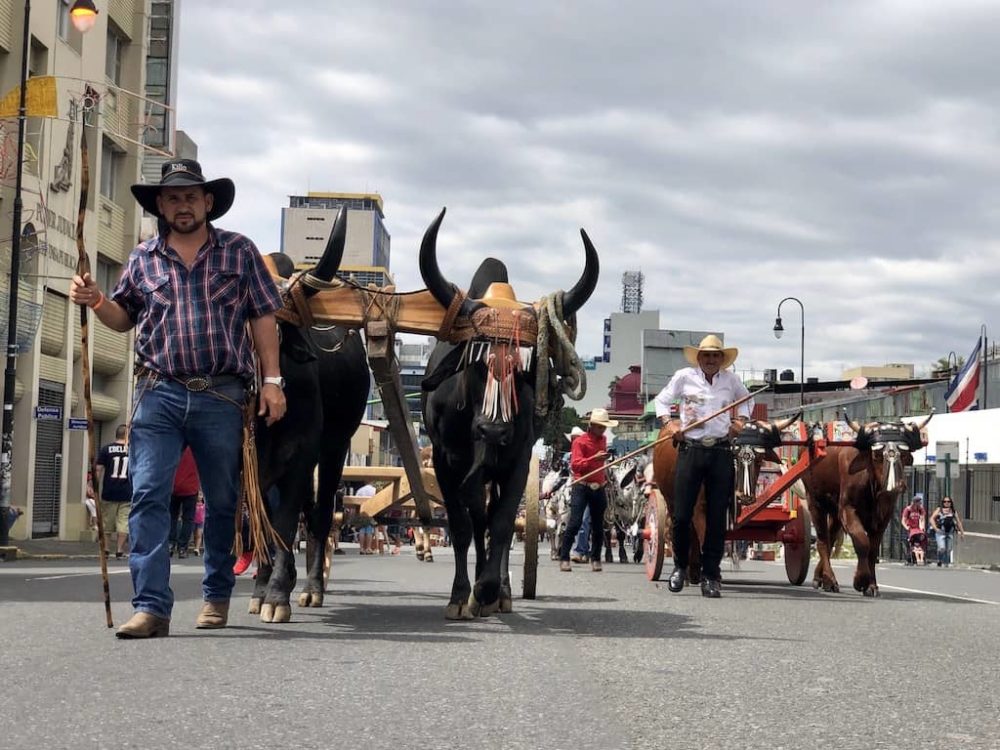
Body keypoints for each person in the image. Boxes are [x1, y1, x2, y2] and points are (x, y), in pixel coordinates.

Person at [69, 158, 286, 639]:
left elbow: (263, 318)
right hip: (157, 392)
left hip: (222, 394)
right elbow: (124, 317)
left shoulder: (239, 251)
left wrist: (273, 381)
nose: (182, 205)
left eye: (191, 196)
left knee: (224, 500)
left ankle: (216, 593)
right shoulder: (143, 258)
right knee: (147, 496)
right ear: (161, 206)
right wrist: (96, 301)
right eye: (172, 197)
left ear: (208, 202)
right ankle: (151, 607)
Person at [654, 334, 752, 598]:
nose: (711, 360)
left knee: (718, 517)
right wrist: (670, 424)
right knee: (682, 514)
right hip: (691, 450)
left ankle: (711, 575)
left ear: (722, 359)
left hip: (720, 451)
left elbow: (747, 401)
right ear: (699, 358)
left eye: (715, 356)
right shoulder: (684, 377)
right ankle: (679, 567)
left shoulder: (731, 380)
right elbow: (661, 400)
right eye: (706, 355)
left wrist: (740, 422)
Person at [558, 408, 618, 572]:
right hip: (581, 486)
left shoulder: (603, 440)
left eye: (604, 427)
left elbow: (600, 460)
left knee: (598, 526)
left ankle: (596, 558)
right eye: (599, 426)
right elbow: (576, 465)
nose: (602, 430)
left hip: (599, 487)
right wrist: (594, 458)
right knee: (575, 522)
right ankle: (564, 557)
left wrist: (603, 458)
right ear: (591, 425)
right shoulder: (580, 442)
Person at [95, 424, 132, 559]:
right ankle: (119, 550)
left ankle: (105, 549)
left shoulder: (106, 449)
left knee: (107, 522)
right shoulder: (132, 450)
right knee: (124, 522)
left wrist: (93, 485)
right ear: (127, 435)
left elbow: (98, 469)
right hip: (127, 492)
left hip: (109, 491)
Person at [168, 447, 200, 559]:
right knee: (188, 519)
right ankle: (182, 548)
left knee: (172, 517)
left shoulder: (175, 446)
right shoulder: (195, 448)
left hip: (173, 485)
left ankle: (170, 544)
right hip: (191, 487)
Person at [930, 496, 964, 567]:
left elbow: (958, 522)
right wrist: (935, 528)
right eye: (945, 502)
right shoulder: (939, 510)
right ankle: (939, 560)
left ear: (951, 503)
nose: (946, 503)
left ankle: (946, 563)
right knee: (942, 548)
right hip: (941, 532)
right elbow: (931, 519)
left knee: (948, 549)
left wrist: (962, 532)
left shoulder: (953, 511)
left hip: (950, 532)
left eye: (948, 502)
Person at [901, 494, 927, 565]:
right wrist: (907, 527)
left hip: (918, 529)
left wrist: (922, 527)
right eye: (917, 502)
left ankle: (921, 558)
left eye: (919, 502)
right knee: (911, 543)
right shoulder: (908, 509)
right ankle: (910, 558)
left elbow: (922, 519)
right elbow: (903, 520)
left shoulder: (920, 509)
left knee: (921, 539)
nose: (919, 503)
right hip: (911, 528)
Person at [355, 483, 377, 554]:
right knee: (369, 531)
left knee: (362, 530)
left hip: (362, 511)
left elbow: (355, 501)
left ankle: (361, 548)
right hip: (370, 511)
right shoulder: (374, 490)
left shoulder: (360, 490)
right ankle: (368, 548)